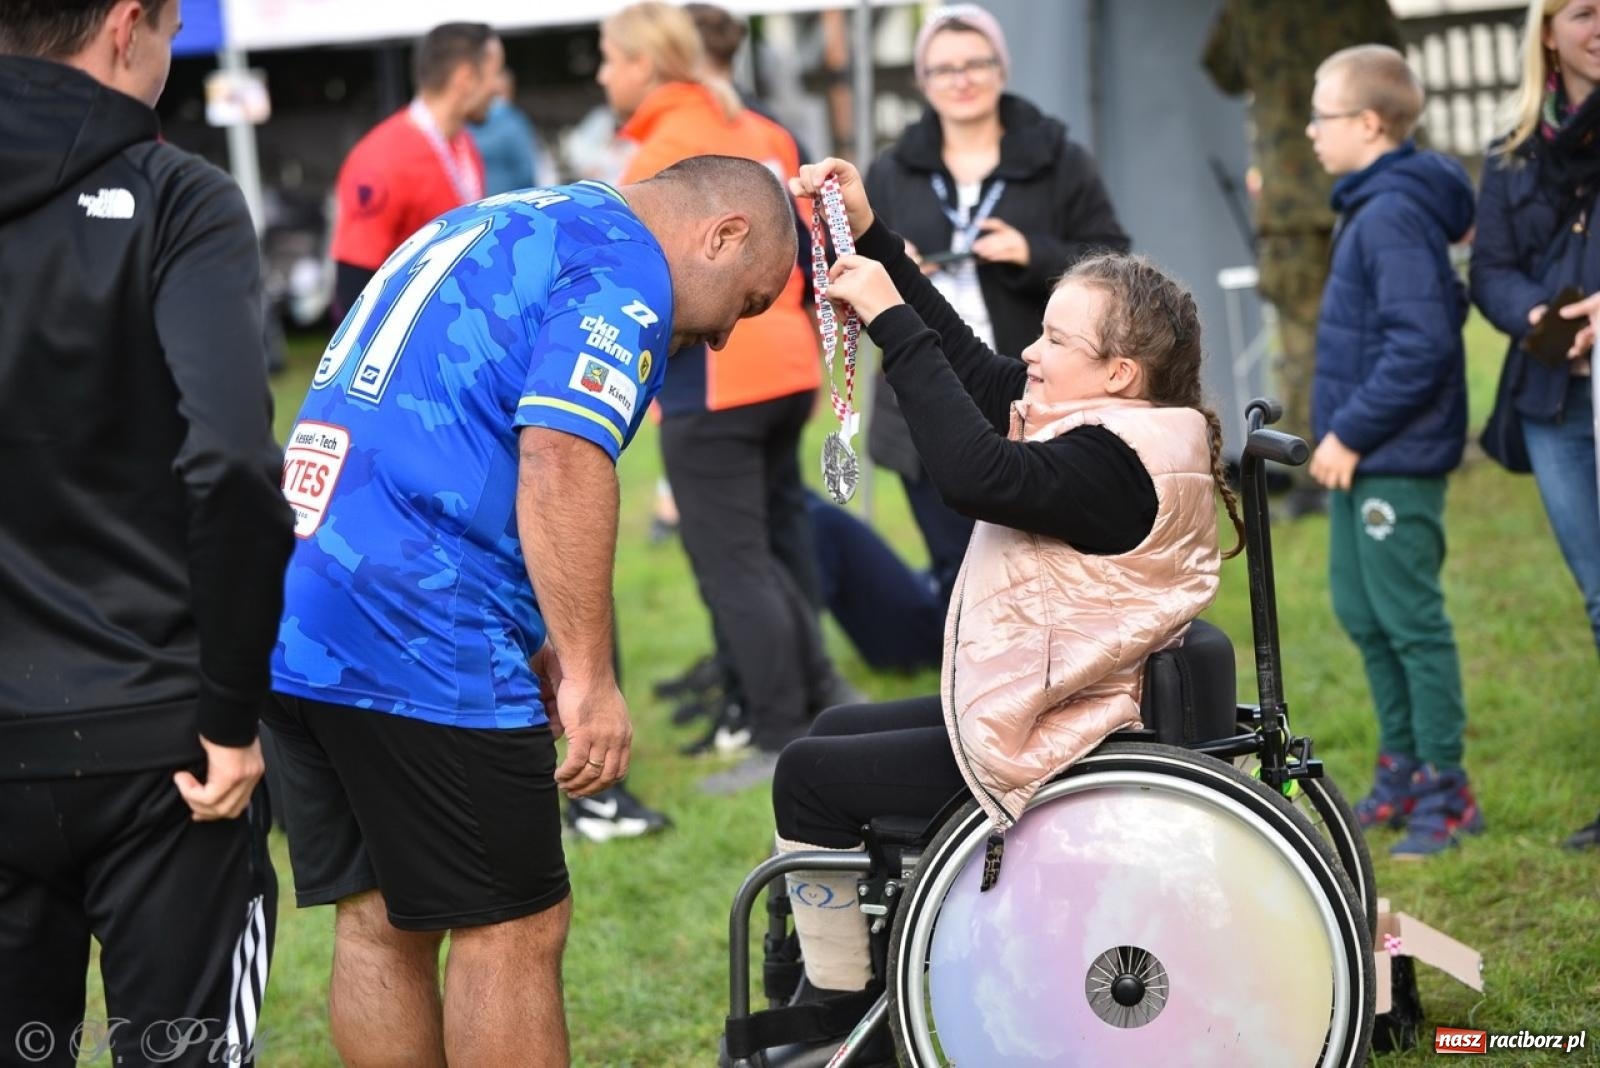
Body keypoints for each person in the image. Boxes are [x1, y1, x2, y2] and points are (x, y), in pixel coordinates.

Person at [263, 156, 798, 1066]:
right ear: (723, 234)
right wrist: (591, 675)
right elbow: (560, 452)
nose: (716, 342)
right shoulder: (624, 264)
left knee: (380, 915)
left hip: (294, 592)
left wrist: (542, 627)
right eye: (745, 305)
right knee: (514, 925)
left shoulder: (510, 215)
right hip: (421, 619)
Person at [769, 157, 1241, 1002]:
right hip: (1062, 698)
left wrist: (887, 323)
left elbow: (971, 473)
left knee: (805, 775)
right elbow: (978, 374)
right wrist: (875, 237)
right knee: (834, 728)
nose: (1031, 350)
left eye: (1055, 340)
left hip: (1069, 731)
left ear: (1119, 372)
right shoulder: (1118, 430)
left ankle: (831, 1001)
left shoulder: (1113, 465)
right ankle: (856, 957)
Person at [0, 1, 294, 1061]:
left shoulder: (178, 195)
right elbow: (231, 462)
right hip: (165, 751)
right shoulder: (183, 198)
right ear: (127, 24)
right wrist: (230, 714)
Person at [600, 2, 854, 789]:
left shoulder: (665, 148)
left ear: (645, 64)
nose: (605, 75)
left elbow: (640, 276)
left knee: (734, 563)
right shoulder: (761, 126)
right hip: (788, 362)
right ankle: (821, 697)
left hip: (719, 371)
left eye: (609, 57)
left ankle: (781, 735)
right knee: (781, 544)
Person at [865, 3, 1130, 610]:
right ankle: (965, 685)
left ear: (1000, 69)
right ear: (923, 81)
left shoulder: (1057, 157)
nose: (961, 79)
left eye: (975, 63)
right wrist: (891, 256)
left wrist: (1033, 252)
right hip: (922, 390)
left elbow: (1114, 257)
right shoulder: (892, 168)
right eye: (942, 69)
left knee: (1035, 568)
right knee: (955, 570)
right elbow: (849, 262)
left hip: (1032, 383)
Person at [1304, 45, 1482, 858]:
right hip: (1365, 458)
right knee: (1362, 612)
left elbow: (1422, 345)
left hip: (1392, 459)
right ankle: (1403, 765)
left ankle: (1447, 786)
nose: (1309, 131)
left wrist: (1350, 432)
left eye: (1322, 115)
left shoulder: (1392, 213)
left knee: (1409, 620)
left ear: (1369, 123)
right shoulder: (1368, 205)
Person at [1472, 0, 1600, 853]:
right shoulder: (1514, 150)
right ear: (1548, 30)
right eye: (1586, 10)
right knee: (1599, 602)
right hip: (1556, 397)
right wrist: (1536, 317)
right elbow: (1490, 269)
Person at [1203, 0, 1405, 517]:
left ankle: (1313, 471)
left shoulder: (1248, 9)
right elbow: (1392, 67)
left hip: (1291, 197)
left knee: (1301, 340)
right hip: (1364, 179)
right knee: (1388, 323)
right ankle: (1379, 449)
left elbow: (1221, 69)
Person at [329, 22, 500, 321]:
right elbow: (354, 282)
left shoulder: (465, 147)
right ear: (466, 78)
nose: (497, 87)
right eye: (494, 73)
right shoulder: (380, 159)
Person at [469, 66, 540, 195]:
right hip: (507, 204)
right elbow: (527, 171)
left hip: (470, 206)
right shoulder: (513, 120)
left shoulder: (467, 121)